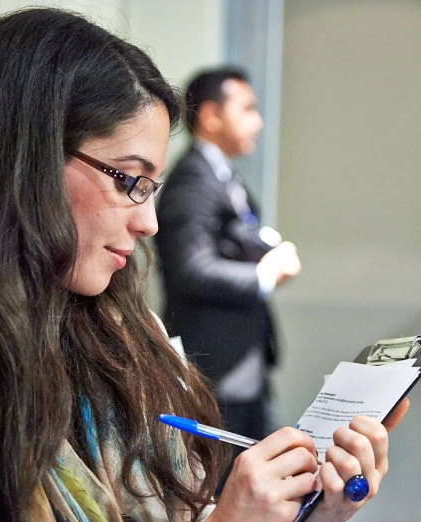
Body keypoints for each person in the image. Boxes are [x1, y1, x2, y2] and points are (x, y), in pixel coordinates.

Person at [0, 9, 407, 522]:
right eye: (130, 180)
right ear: (21, 160)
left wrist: (318, 510)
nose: (149, 224)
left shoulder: (128, 333)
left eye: (152, 186)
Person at [154, 68, 300, 468]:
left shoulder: (222, 175)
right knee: (228, 485)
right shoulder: (192, 180)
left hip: (241, 365)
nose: (258, 121)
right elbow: (190, 269)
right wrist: (265, 275)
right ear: (211, 115)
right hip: (216, 370)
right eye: (248, 108)